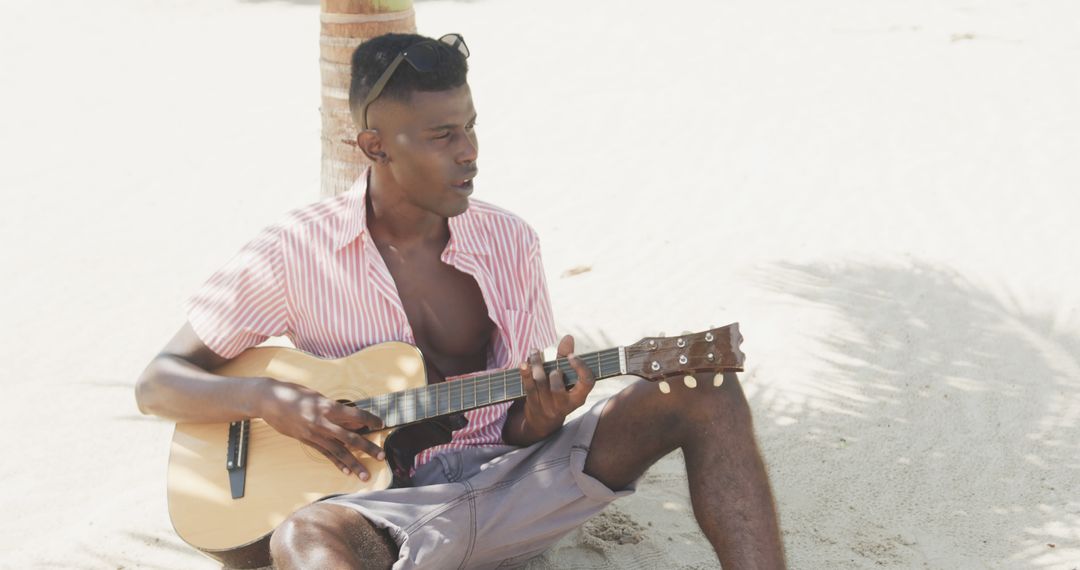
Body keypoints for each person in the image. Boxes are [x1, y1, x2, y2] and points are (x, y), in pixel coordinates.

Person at [135, 32, 785, 569]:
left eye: (470, 127)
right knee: (303, 542)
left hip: (513, 483)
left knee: (706, 387)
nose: (470, 153)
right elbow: (158, 384)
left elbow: (524, 429)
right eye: (443, 135)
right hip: (385, 510)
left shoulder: (509, 241)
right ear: (375, 146)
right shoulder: (293, 250)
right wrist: (271, 401)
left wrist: (544, 410)